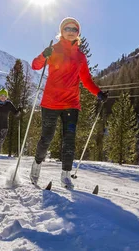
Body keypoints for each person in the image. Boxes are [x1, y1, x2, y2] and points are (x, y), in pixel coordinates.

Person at [30, 17, 108, 189]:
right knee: (47, 137)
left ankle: (65, 176)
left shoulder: (80, 56)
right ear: (62, 31)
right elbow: (35, 66)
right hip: (51, 102)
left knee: (69, 140)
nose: (71, 31)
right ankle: (36, 166)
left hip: (72, 104)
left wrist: (98, 93)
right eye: (68, 28)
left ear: (78, 33)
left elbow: (86, 79)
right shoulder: (53, 49)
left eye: (74, 29)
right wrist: (44, 55)